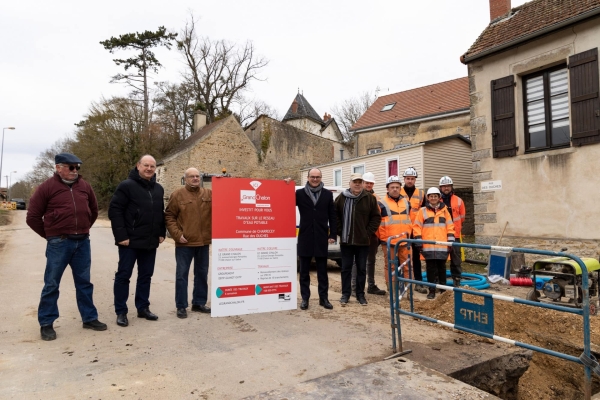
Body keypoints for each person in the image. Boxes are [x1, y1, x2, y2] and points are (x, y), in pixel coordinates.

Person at [26, 153, 107, 341]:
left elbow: (93, 211)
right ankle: (46, 323)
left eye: (77, 167)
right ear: (58, 167)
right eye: (71, 167)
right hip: (59, 243)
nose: (75, 171)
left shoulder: (84, 186)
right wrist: (51, 235)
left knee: (84, 283)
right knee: (52, 283)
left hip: (82, 242)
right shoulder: (47, 188)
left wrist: (83, 228)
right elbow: (32, 217)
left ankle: (89, 318)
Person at [109, 155, 166, 327]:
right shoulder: (126, 186)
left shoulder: (158, 189)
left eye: (152, 166)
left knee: (145, 276)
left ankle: (143, 307)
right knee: (123, 276)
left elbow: (159, 212)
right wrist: (121, 237)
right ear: (138, 166)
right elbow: (115, 211)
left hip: (150, 241)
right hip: (129, 241)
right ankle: (121, 311)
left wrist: (161, 232)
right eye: (146, 165)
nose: (149, 168)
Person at [165, 168, 212, 319]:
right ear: (185, 179)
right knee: (182, 275)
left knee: (202, 274)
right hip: (185, 243)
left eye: (197, 176)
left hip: (203, 242)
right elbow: (169, 216)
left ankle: (199, 302)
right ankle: (181, 306)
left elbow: (226, 204)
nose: (195, 178)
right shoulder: (177, 195)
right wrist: (177, 235)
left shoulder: (208, 194)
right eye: (191, 176)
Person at [335, 173, 381, 306]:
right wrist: (339, 230)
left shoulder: (369, 199)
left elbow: (376, 217)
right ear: (350, 183)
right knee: (346, 269)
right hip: (346, 240)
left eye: (359, 182)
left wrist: (367, 233)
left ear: (362, 184)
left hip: (363, 241)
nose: (357, 184)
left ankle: (361, 295)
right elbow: (334, 214)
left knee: (361, 268)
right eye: (355, 182)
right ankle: (345, 294)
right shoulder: (341, 198)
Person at [296, 168, 337, 310]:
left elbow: (332, 216)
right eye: (312, 177)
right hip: (305, 237)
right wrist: (286, 184)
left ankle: (323, 299)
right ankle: (305, 299)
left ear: (321, 178)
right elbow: (283, 201)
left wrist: (332, 234)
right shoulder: (299, 194)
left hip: (321, 237)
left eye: (317, 177)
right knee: (304, 272)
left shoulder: (327, 195)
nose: (315, 179)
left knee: (322, 272)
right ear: (307, 178)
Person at [412, 187, 455, 299]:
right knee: (430, 268)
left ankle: (443, 290)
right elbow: (417, 227)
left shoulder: (445, 211)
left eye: (435, 196)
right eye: (431, 196)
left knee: (442, 268)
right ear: (428, 198)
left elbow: (450, 226)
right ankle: (431, 290)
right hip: (428, 246)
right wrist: (418, 241)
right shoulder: (422, 211)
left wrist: (450, 242)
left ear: (439, 198)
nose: (433, 198)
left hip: (442, 245)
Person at [351, 172, 386, 296]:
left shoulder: (376, 197)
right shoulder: (355, 196)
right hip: (359, 235)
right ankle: (354, 288)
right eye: (367, 183)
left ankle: (371, 285)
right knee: (357, 261)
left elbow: (378, 217)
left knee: (371, 260)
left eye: (371, 183)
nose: (369, 185)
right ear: (362, 183)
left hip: (372, 235)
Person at [376, 176, 412, 289]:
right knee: (390, 266)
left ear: (400, 188)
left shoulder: (406, 202)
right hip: (388, 241)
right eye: (392, 187)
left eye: (397, 187)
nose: (395, 189)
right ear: (387, 189)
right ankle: (392, 290)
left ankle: (409, 289)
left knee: (407, 266)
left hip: (405, 240)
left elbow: (410, 219)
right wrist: (382, 238)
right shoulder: (381, 203)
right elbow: (377, 223)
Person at [400, 167, 427, 294]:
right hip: (402, 230)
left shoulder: (421, 194)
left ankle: (418, 283)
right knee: (401, 257)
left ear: (415, 179)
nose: (410, 181)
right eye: (407, 178)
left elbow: (425, 213)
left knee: (416, 257)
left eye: (412, 178)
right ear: (404, 179)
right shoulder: (397, 192)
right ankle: (402, 282)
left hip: (416, 231)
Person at [439, 176, 466, 287]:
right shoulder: (436, 199)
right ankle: (439, 280)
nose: (446, 188)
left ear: (451, 187)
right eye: (444, 186)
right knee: (440, 259)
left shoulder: (459, 200)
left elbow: (462, 217)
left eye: (448, 186)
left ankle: (456, 279)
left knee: (456, 259)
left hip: (455, 234)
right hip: (441, 235)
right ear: (440, 187)